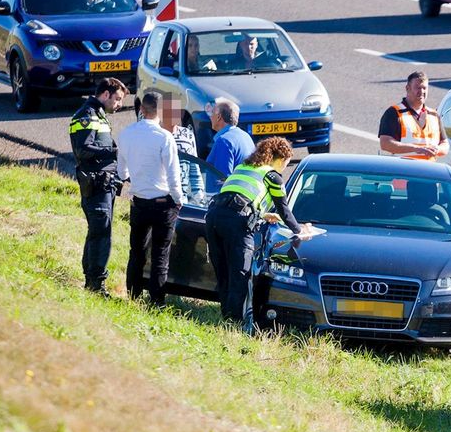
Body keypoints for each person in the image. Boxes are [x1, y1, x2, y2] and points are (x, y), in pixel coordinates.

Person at [205, 137, 312, 326]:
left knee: (223, 271)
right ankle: (234, 323)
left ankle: (225, 317)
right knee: (240, 273)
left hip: (213, 217)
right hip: (237, 223)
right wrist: (299, 229)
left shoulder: (243, 168)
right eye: (286, 164)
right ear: (281, 159)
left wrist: (262, 215)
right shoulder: (272, 176)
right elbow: (284, 210)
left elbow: (240, 196)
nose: (284, 169)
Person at [117, 91, 186, 306]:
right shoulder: (165, 137)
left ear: (141, 109)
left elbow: (121, 172)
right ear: (161, 112)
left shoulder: (126, 134)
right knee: (160, 255)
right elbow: (174, 176)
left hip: (138, 201)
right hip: (163, 203)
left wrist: (138, 178)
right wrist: (178, 199)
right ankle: (156, 301)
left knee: (136, 251)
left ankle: (133, 295)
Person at [70, 77, 127, 297]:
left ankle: (91, 279)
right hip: (95, 184)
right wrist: (114, 152)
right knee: (102, 233)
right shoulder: (85, 116)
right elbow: (82, 150)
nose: (119, 104)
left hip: (105, 184)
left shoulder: (100, 116)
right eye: (117, 99)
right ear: (105, 94)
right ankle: (96, 284)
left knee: (98, 232)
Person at [378, 71, 449, 160]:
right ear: (407, 88)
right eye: (417, 88)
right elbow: (385, 144)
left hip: (429, 171)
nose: (421, 91)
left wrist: (437, 149)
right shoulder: (394, 113)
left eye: (424, 88)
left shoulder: (434, 115)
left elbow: (445, 145)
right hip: (404, 171)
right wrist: (416, 149)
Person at [160, 94, 204, 204]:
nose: (174, 114)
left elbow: (194, 166)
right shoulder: (157, 135)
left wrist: (199, 197)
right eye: (169, 110)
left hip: (183, 200)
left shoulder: (187, 134)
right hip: (161, 198)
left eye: (177, 110)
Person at [205, 97, 255, 178]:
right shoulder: (245, 136)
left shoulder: (224, 141)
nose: (210, 117)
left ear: (219, 117)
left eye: (212, 113)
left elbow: (222, 179)